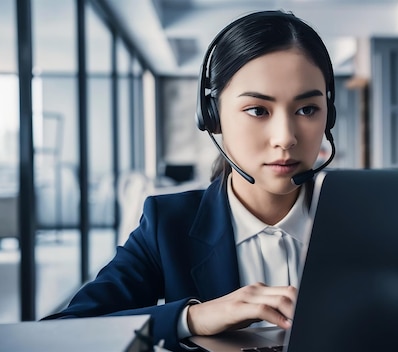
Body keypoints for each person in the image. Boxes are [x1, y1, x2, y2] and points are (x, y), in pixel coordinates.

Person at [43, 10, 336, 352]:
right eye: (258, 110)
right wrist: (192, 318)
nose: (285, 138)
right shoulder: (167, 224)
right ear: (212, 117)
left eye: (307, 110)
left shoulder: (363, 221)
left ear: (328, 116)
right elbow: (62, 333)